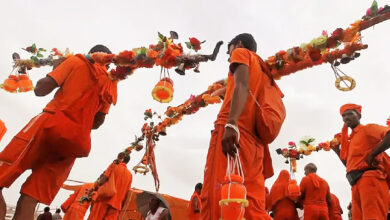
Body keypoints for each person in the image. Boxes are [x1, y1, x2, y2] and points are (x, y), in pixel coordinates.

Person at [0, 45, 117, 220]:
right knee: (30, 199)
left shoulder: (76, 61)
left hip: (47, 125)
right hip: (74, 143)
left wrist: (56, 68)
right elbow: (97, 123)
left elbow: (41, 90)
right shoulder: (111, 83)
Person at [201, 33, 279, 219]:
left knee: (220, 197)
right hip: (255, 143)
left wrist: (232, 124)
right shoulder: (263, 71)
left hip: (234, 133)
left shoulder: (242, 53)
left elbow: (242, 86)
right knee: (251, 204)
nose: (229, 58)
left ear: (239, 44)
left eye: (229, 52)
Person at [332, 104, 390, 219]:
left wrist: (374, 153)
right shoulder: (351, 139)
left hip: (370, 179)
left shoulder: (367, 129)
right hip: (355, 182)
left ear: (359, 116)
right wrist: (336, 151)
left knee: (373, 216)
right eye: (343, 115)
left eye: (350, 114)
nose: (346, 118)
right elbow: (349, 165)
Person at [88, 154, 133, 220]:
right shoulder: (130, 175)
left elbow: (102, 180)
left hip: (104, 199)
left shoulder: (114, 166)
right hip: (117, 205)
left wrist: (94, 188)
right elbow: (127, 192)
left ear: (122, 158)